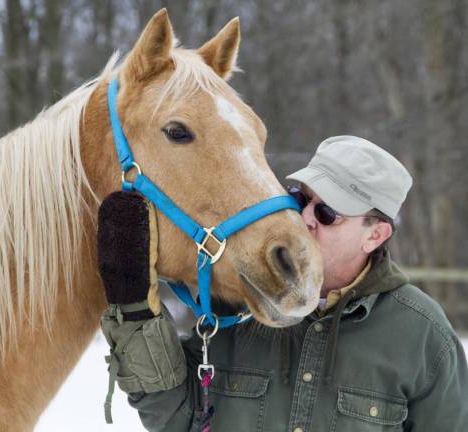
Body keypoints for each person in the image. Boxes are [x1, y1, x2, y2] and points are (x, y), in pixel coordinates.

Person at [99, 135, 468, 431]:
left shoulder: (424, 337)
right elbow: (178, 417)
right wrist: (135, 309)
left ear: (375, 235)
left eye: (327, 213)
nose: (305, 218)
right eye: (301, 199)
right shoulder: (238, 299)